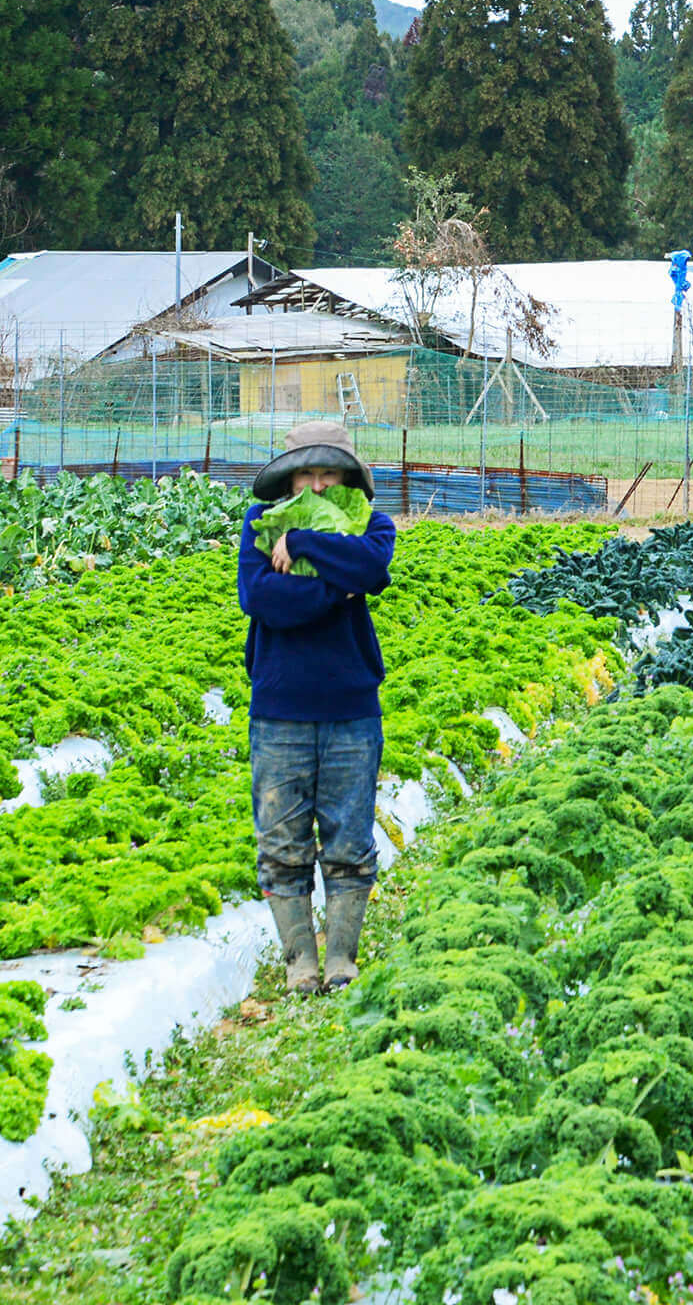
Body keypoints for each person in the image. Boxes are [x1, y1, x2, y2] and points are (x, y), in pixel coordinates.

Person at [236, 419, 398, 993]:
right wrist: (339, 584)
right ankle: (300, 960)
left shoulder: (374, 525)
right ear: (290, 478)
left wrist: (303, 544)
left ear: (349, 476)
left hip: (352, 706)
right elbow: (263, 600)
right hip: (279, 709)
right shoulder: (260, 523)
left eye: (330, 472)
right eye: (308, 472)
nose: (320, 485)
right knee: (281, 844)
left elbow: (373, 569)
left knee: (349, 840)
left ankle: (341, 958)